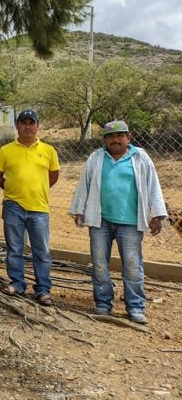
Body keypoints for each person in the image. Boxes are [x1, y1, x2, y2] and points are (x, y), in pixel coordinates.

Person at [69, 120, 167, 324]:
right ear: (105, 140)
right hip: (100, 221)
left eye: (120, 135)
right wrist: (79, 210)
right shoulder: (96, 158)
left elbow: (153, 186)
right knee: (99, 263)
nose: (115, 139)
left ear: (128, 138)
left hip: (130, 222)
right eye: (111, 136)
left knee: (132, 265)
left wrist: (157, 214)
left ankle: (135, 307)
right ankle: (103, 303)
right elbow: (84, 184)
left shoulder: (140, 157)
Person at [0, 109, 60, 306]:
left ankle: (43, 289)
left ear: (37, 126)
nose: (27, 127)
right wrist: (13, 190)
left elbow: (53, 176)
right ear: (17, 126)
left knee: (42, 250)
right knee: (14, 247)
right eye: (24, 123)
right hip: (13, 206)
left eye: (32, 123)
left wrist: (38, 189)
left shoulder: (48, 150)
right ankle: (17, 283)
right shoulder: (6, 150)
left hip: (39, 208)